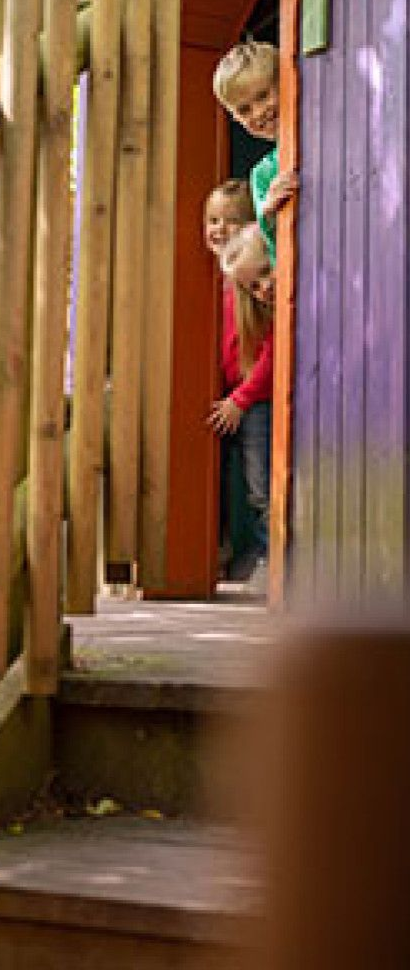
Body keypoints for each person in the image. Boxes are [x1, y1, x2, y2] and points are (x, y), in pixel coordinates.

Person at [211, 220, 274, 583]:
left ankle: (272, 557)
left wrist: (241, 399)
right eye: (254, 285)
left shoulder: (273, 311)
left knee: (260, 487)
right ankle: (224, 554)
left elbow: (270, 362)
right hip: (230, 400)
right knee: (225, 484)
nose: (263, 288)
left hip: (254, 404)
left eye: (266, 274)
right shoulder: (232, 297)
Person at [212, 40, 299, 262]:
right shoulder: (261, 175)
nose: (259, 111)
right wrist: (269, 211)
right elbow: (274, 254)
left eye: (263, 96)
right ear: (235, 118)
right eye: (244, 110)